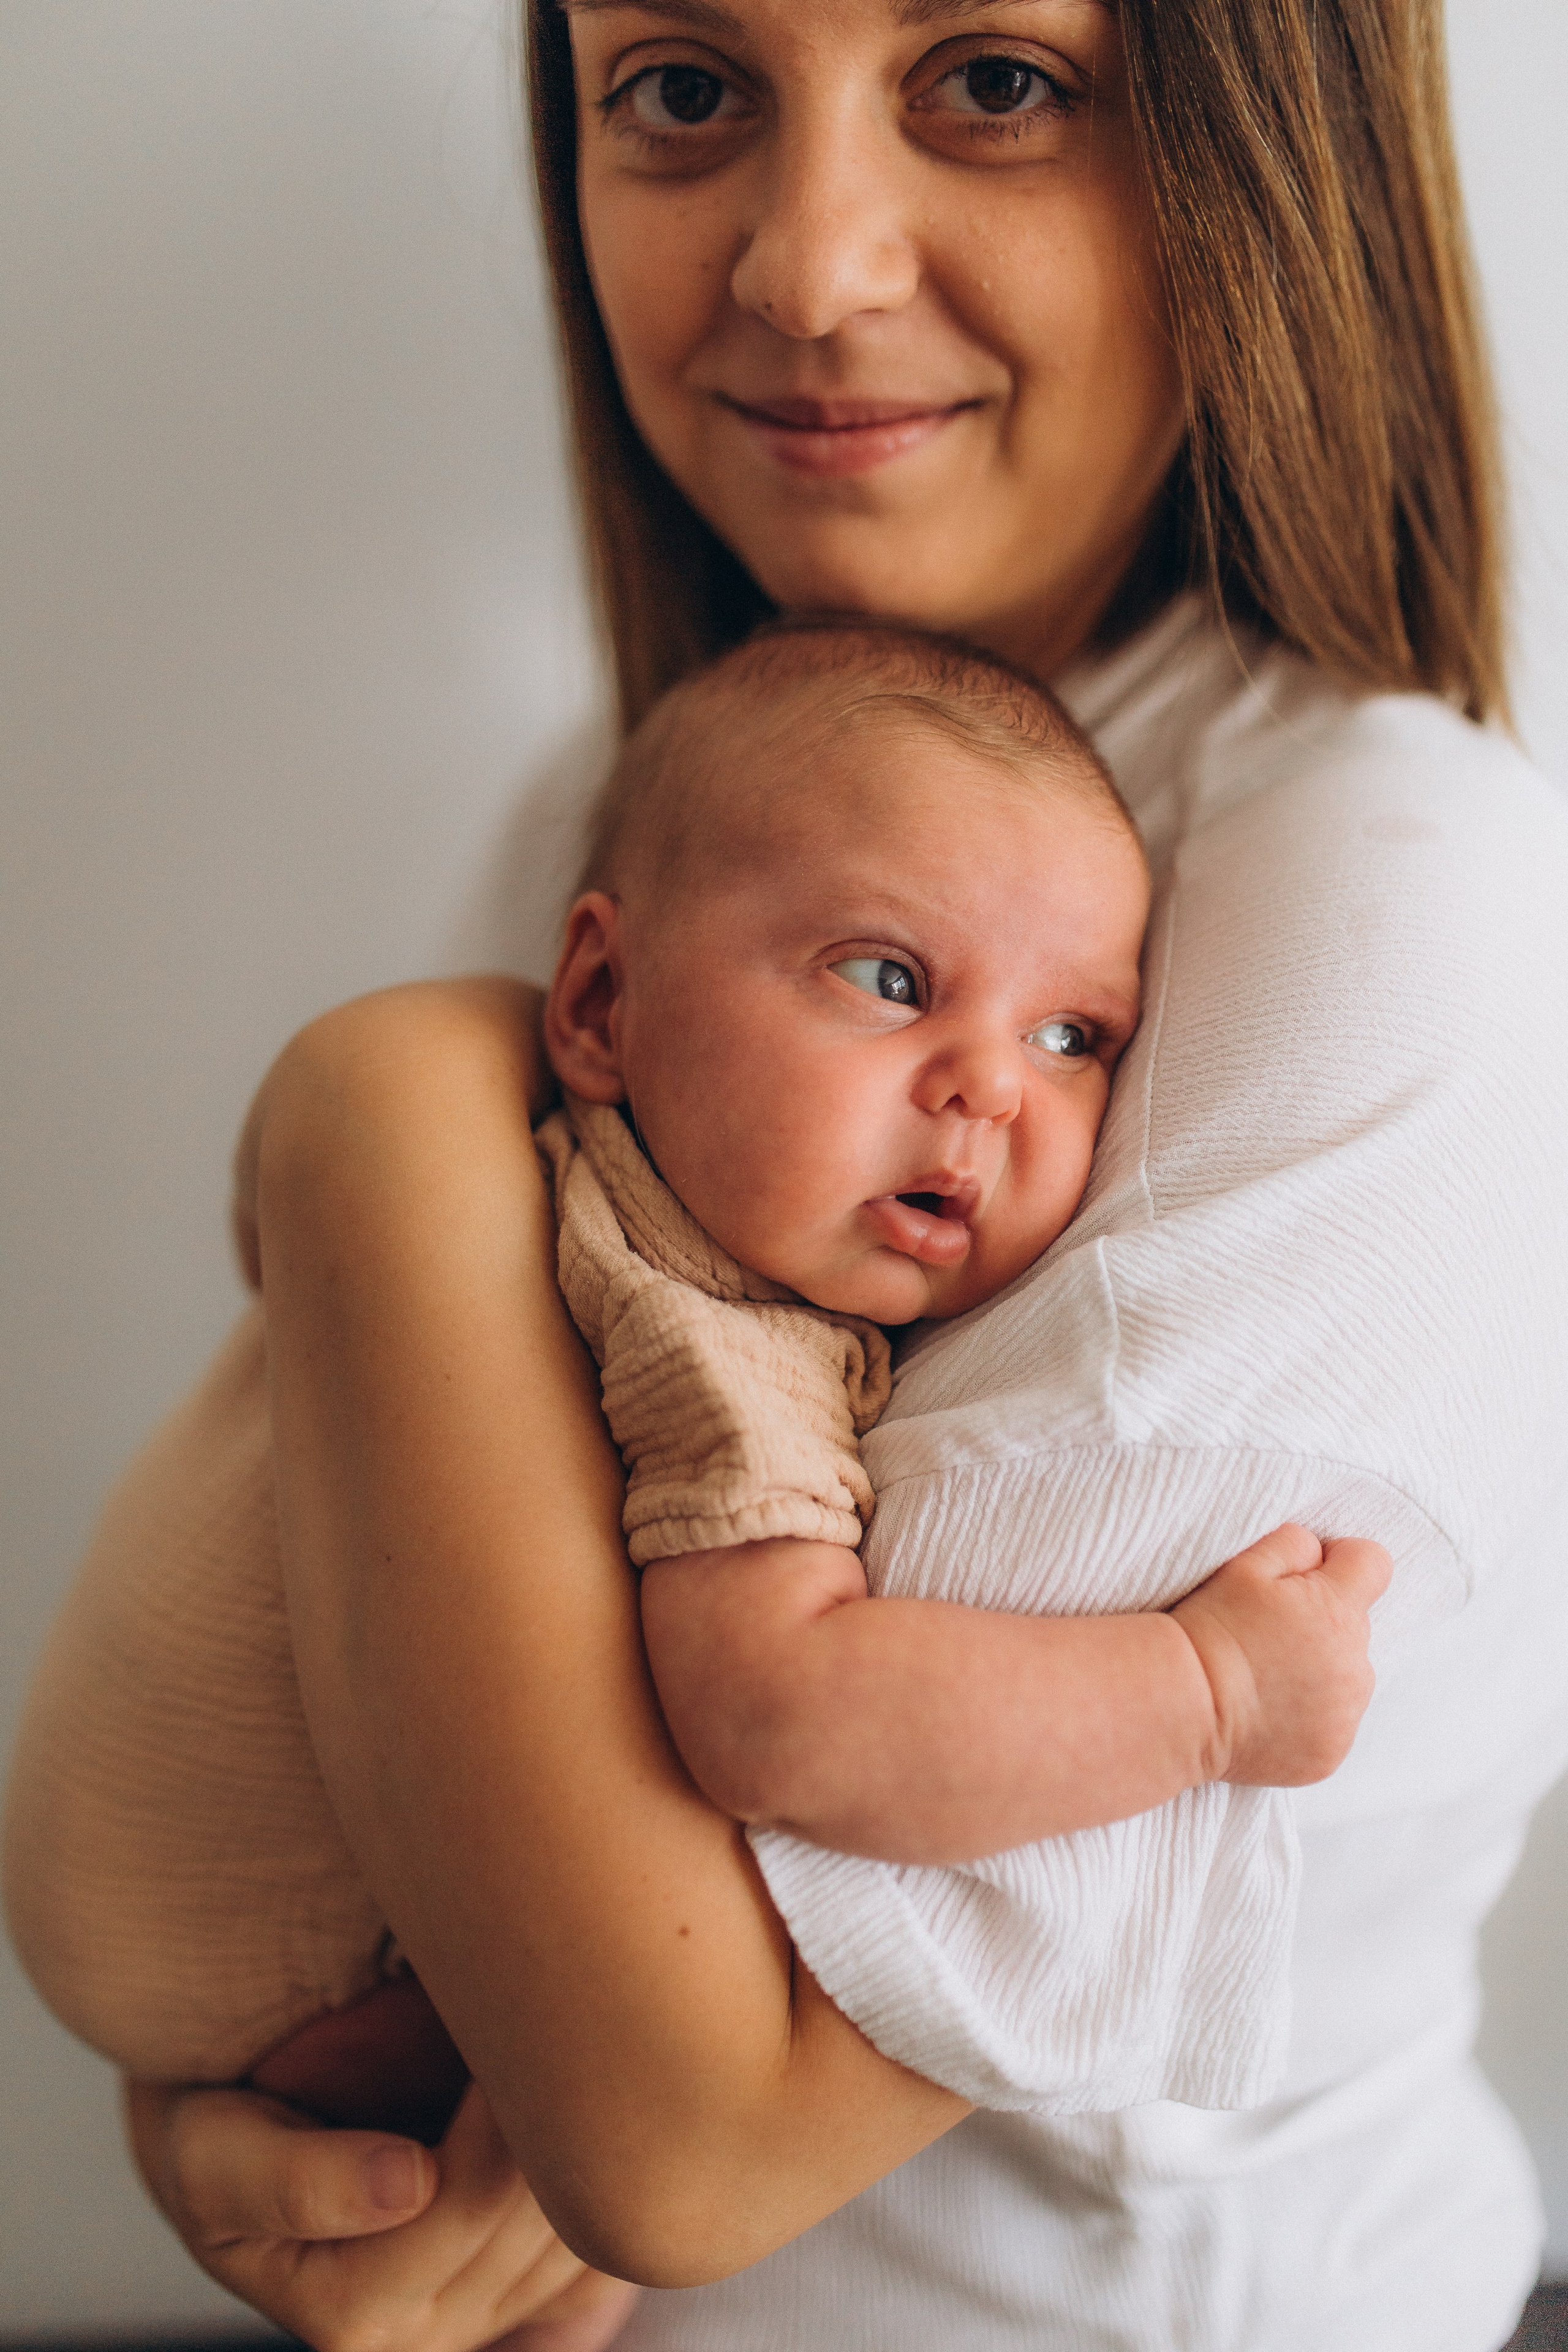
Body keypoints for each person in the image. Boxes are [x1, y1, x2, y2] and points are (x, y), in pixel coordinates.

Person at [32, 0, 1568, 2346]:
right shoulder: (632, 805)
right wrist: (246, 2081)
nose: (809, 267)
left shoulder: (1390, 908)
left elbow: (685, 2123)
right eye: (679, 88)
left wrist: (371, 1125)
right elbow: (404, 1733)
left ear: (1265, 153)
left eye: (995, 80)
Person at [6, 620, 1387, 2124]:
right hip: (264, 1960)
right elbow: (780, 1718)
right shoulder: (714, 1328)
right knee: (555, 2177)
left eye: (1071, 1034)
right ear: (601, 1002)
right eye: (887, 976)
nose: (990, 1086)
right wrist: (1208, 1690)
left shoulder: (496, 1147)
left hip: (105, 1849)